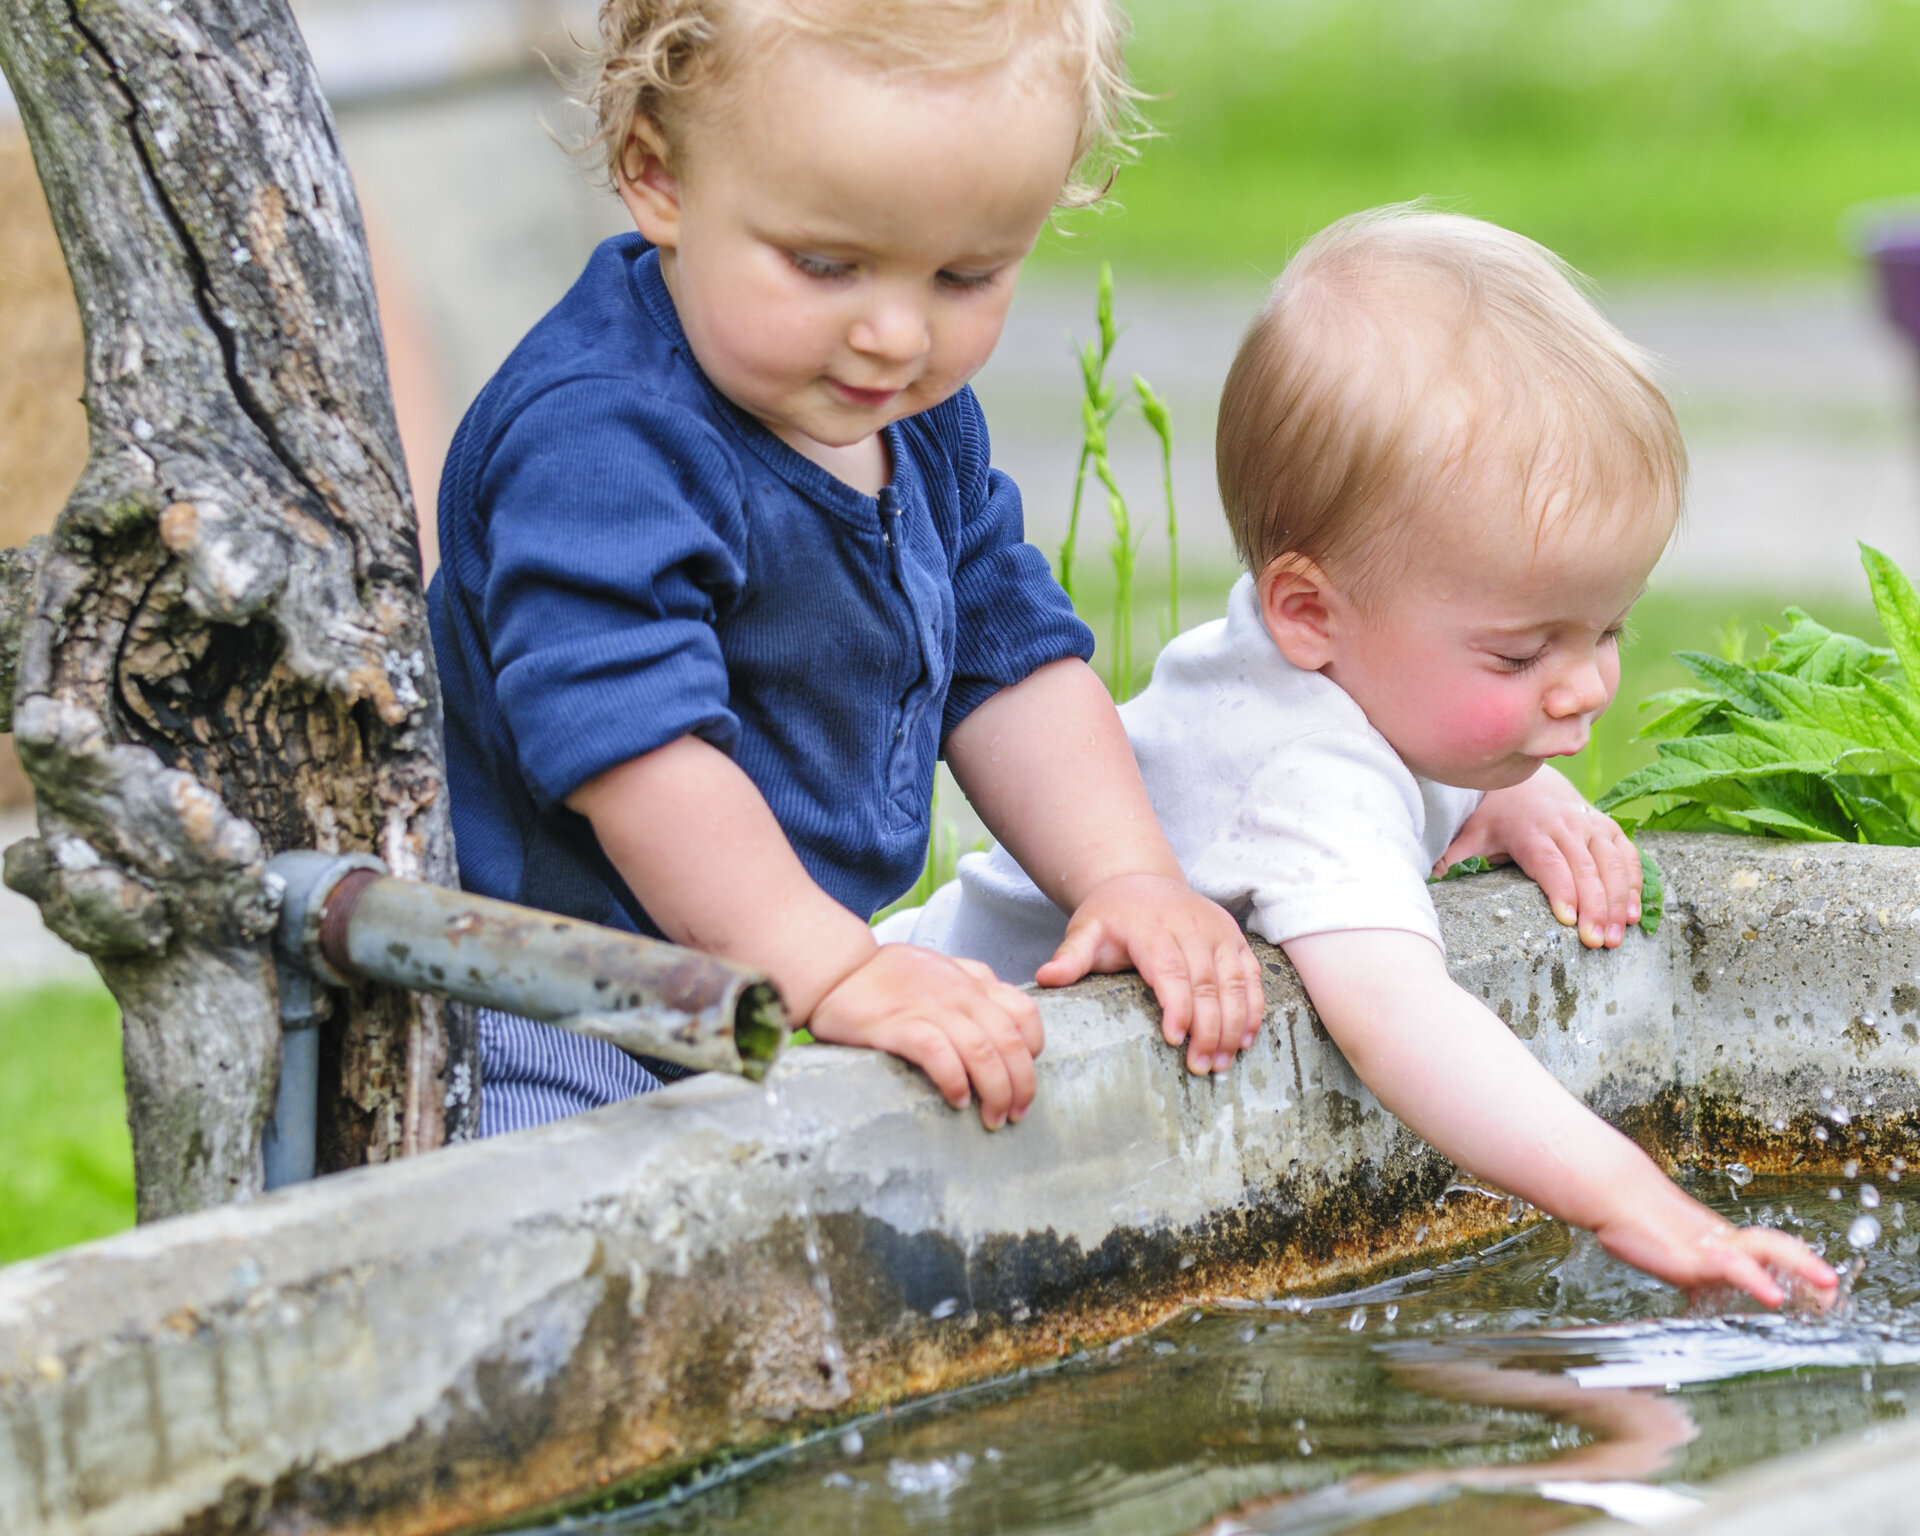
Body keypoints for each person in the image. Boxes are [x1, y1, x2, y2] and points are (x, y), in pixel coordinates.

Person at [886, 207, 1837, 1306]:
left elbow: (1411, 745)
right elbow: (1400, 1022)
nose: (1586, 685)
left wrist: (1508, 797)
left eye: (1607, 629)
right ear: (1308, 608)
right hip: (927, 1079)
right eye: (1524, 651)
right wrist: (1628, 1192)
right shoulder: (1301, 771)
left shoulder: (1350, 664)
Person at [427, 0, 1267, 1139]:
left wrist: (1127, 877)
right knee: (567, 1240)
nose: (895, 335)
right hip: (550, 1002)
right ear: (655, 177)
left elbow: (1009, 657)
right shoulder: (601, 440)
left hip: (767, 973)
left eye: (964, 277)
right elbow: (633, 745)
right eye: (828, 264)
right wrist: (827, 971)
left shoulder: (910, 417)